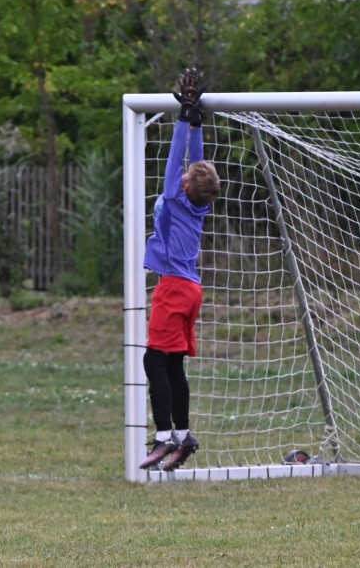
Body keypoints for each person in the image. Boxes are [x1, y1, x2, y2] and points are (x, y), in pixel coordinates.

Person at [138, 68, 221, 472]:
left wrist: (182, 119)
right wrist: (196, 120)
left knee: (153, 362)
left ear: (185, 186)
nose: (183, 172)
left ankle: (163, 436)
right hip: (191, 290)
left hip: (173, 289)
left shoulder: (175, 197)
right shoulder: (198, 205)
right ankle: (184, 435)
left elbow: (177, 159)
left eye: (185, 176)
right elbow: (196, 162)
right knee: (173, 364)